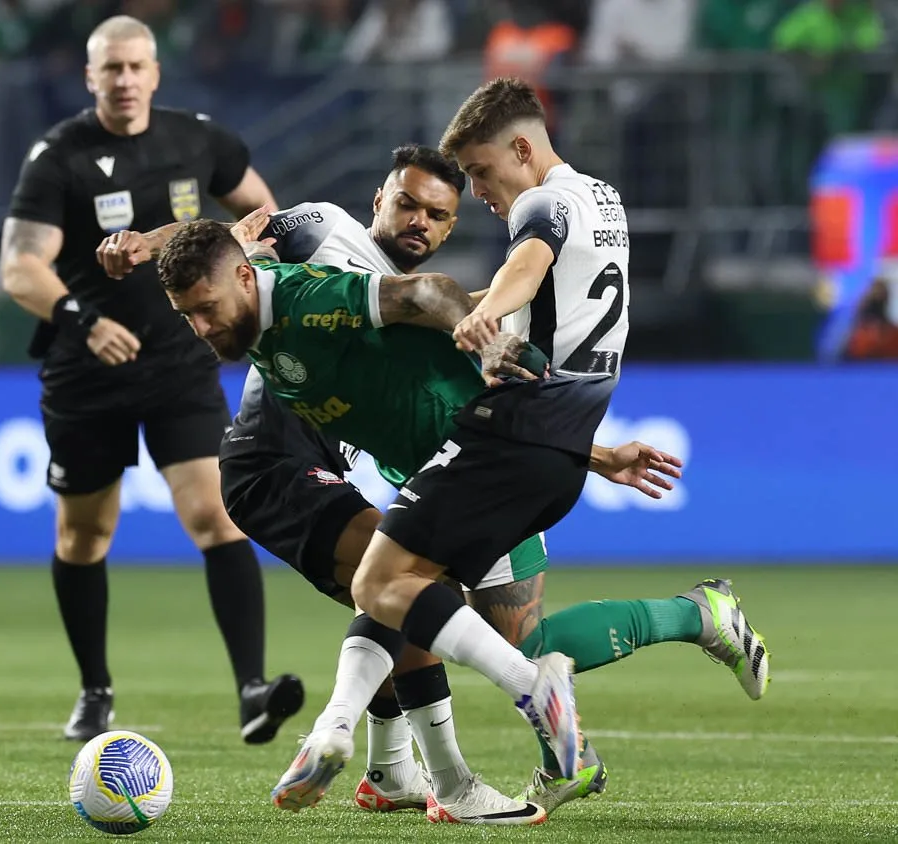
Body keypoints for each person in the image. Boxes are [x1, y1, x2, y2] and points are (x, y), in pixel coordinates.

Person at [155, 80, 770, 813]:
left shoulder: (456, 277)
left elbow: (508, 281)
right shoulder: (324, 236)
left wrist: (576, 429)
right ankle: (403, 764)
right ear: (377, 199)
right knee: (403, 592)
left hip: (486, 443)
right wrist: (145, 244)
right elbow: (221, 245)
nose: (425, 217)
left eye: (446, 205)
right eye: (407, 203)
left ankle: (690, 620)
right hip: (467, 447)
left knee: (489, 625)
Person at [0, 14, 301, 744]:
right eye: (112, 69)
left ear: (155, 72)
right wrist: (83, 320)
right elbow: (20, 266)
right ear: (91, 77)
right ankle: (95, 690)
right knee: (84, 534)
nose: (125, 80)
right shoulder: (60, 156)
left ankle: (253, 691)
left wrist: (246, 287)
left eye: (136, 67)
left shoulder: (198, 139)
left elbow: (268, 216)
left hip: (180, 362)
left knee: (214, 514)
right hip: (87, 370)